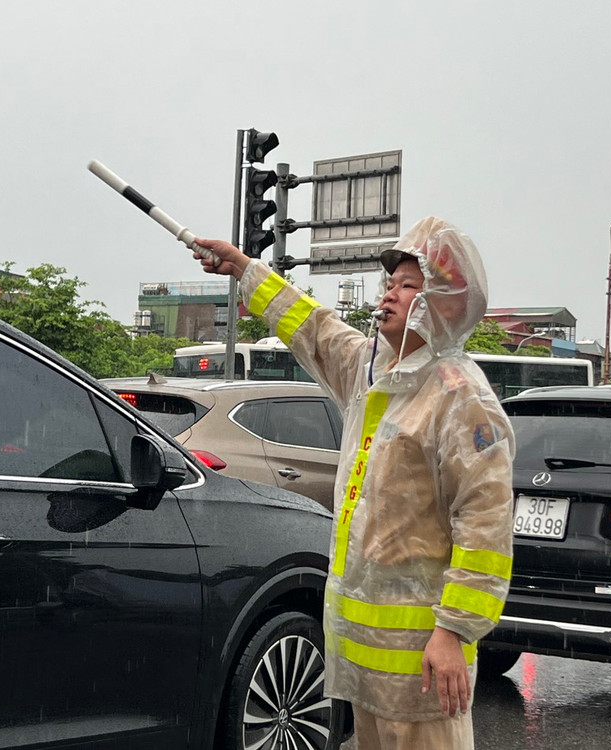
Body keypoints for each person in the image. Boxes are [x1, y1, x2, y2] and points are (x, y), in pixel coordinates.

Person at [194, 216, 514, 749]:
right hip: (362, 663)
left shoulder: (461, 399)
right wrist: (246, 269)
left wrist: (454, 631)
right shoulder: (375, 373)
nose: (388, 294)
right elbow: (313, 326)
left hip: (422, 665)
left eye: (408, 285)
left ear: (443, 303)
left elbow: (486, 528)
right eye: (390, 283)